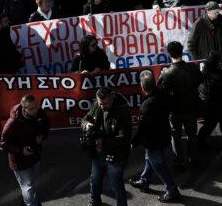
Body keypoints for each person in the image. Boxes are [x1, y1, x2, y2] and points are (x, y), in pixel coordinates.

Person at [129, 71, 181, 203]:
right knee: (149, 159)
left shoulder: (147, 105)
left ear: (142, 87)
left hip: (153, 140)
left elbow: (142, 127)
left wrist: (134, 142)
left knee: (158, 164)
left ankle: (172, 190)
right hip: (163, 134)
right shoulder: (163, 94)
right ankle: (144, 181)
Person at [82, 86, 132, 206]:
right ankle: (95, 200)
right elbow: (85, 119)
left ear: (112, 98)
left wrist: (102, 141)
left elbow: (124, 138)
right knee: (95, 180)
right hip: (98, 154)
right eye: (100, 103)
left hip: (116, 155)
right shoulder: (97, 105)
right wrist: (86, 124)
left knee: (116, 185)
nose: (102, 106)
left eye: (105, 103)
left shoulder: (123, 111)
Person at [1, 94, 50, 206]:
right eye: (31, 108)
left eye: (36, 106)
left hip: (35, 155)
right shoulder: (13, 122)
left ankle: (26, 201)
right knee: (27, 186)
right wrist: (20, 150)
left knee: (32, 182)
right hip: (20, 160)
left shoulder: (40, 113)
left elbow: (46, 126)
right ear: (24, 109)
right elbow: (3, 143)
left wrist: (42, 136)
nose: (35, 110)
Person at [157, 41, 200, 166]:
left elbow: (160, 90)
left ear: (169, 54)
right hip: (190, 107)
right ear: (182, 51)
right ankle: (194, 159)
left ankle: (180, 161)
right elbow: (199, 81)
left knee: (175, 137)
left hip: (174, 110)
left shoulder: (166, 73)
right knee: (192, 135)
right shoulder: (192, 68)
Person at [196, 53, 222, 149]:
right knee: (218, 124)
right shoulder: (218, 75)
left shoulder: (205, 72)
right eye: (220, 61)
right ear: (216, 63)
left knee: (212, 124)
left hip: (208, 105)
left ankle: (201, 142)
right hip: (217, 106)